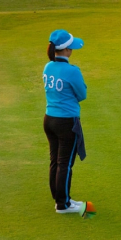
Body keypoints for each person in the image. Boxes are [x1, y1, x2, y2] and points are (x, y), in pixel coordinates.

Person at [42, 29, 88, 214]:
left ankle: (59, 198)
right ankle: (63, 204)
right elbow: (82, 94)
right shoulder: (72, 71)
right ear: (67, 50)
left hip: (49, 120)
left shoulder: (48, 67)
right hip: (66, 122)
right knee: (65, 163)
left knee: (55, 161)